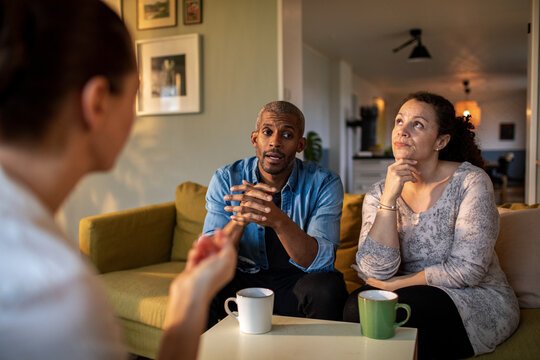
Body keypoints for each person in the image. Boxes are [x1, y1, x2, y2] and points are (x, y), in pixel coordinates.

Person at [0, 1, 236, 360]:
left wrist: (187, 295)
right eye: (135, 93)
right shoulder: (53, 294)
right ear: (97, 103)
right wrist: (189, 305)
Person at [342, 92, 520, 359]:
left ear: (441, 141)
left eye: (418, 124)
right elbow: (374, 269)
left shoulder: (471, 182)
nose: (402, 131)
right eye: (399, 121)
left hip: (470, 297)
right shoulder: (380, 192)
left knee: (415, 310)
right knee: (355, 309)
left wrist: (396, 286)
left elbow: (468, 270)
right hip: (406, 294)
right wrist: (389, 200)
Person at [203, 101, 349, 327]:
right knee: (201, 281)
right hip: (242, 279)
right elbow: (210, 260)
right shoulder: (226, 179)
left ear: (300, 145)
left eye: (287, 135)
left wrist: (277, 219)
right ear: (255, 139)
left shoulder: (324, 183)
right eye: (267, 132)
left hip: (297, 280)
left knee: (327, 289)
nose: (275, 142)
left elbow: (321, 261)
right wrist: (240, 219)